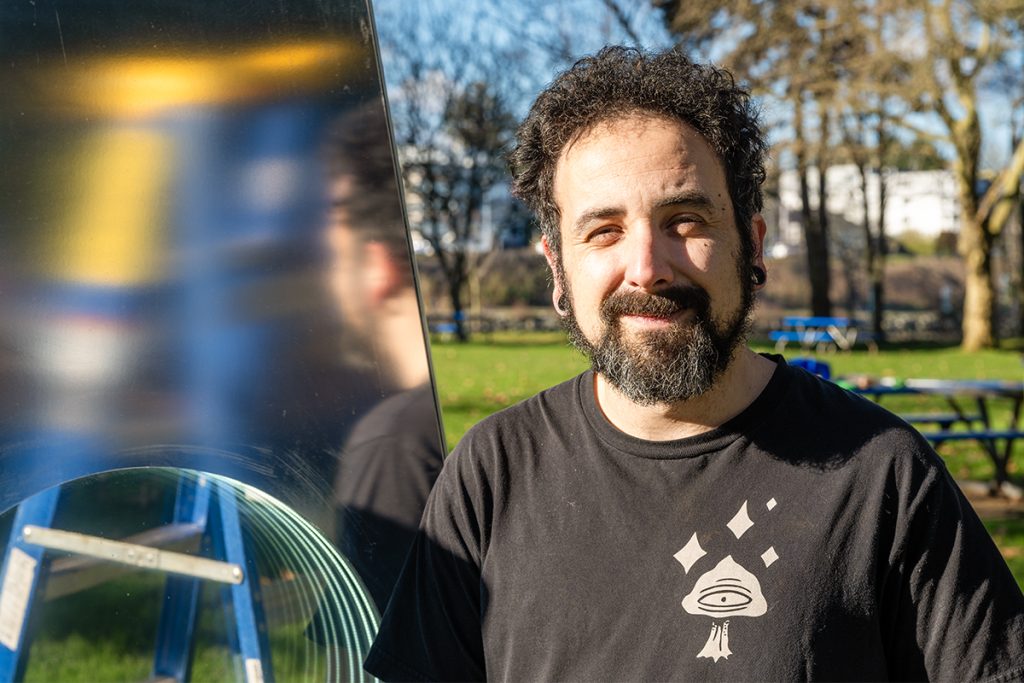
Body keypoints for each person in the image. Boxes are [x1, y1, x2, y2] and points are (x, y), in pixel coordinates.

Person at [364, 46, 1024, 681]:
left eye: (685, 219)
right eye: (604, 231)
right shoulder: (490, 473)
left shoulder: (883, 475)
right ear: (557, 270)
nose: (647, 268)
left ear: (753, 244)